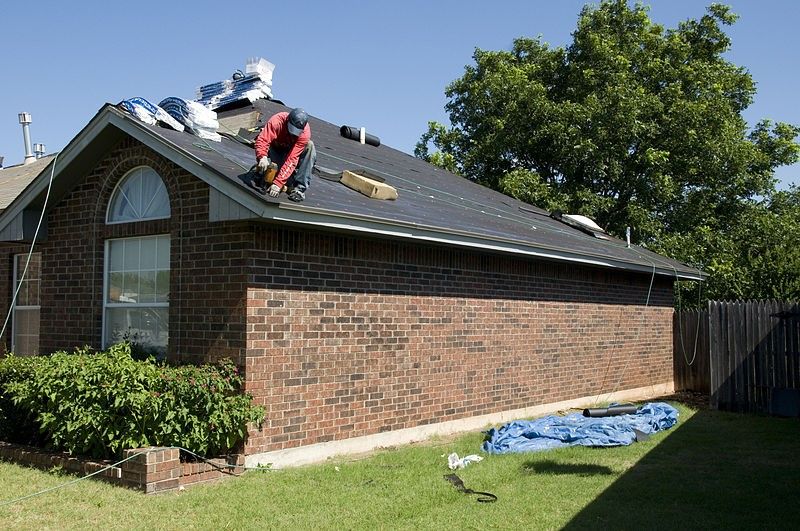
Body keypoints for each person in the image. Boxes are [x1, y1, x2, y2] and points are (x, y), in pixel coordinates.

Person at [255, 107, 316, 202]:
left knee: (310, 146)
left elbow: (292, 159)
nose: (293, 133)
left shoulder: (304, 133)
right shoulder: (277, 121)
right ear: (288, 120)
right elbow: (263, 139)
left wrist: (278, 184)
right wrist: (262, 156)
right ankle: (262, 172)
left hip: (290, 153)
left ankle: (299, 190)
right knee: (269, 173)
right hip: (275, 149)